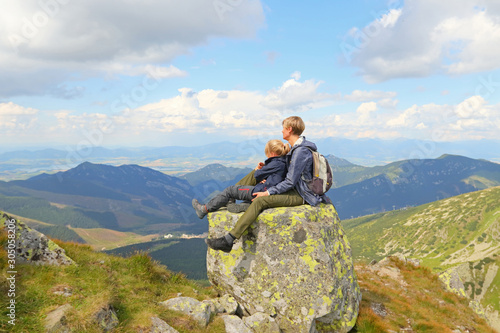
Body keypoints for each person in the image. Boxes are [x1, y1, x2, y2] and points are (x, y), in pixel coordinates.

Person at [205, 116, 331, 253]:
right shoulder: (298, 148)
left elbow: (290, 181)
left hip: (302, 194)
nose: (282, 131)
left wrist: (268, 192)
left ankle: (228, 240)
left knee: (261, 201)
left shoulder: (301, 151)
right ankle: (235, 198)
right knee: (259, 182)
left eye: (283, 128)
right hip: (297, 189)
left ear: (289, 129)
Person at [192, 139, 290, 219]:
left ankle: (204, 209)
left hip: (259, 191)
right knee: (240, 191)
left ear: (272, 153)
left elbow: (257, 175)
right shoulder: (284, 162)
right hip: (267, 191)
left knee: (230, 190)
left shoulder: (275, 163)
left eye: (267, 153)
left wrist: (259, 169)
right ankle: (245, 205)